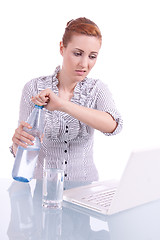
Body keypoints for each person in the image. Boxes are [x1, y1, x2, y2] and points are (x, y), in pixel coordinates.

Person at [11, 17, 123, 182]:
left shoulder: (97, 89)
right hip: (43, 191)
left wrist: (63, 105)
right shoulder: (34, 88)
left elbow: (114, 126)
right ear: (62, 48)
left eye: (92, 56)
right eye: (77, 54)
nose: (84, 64)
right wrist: (17, 143)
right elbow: (23, 150)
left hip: (85, 190)